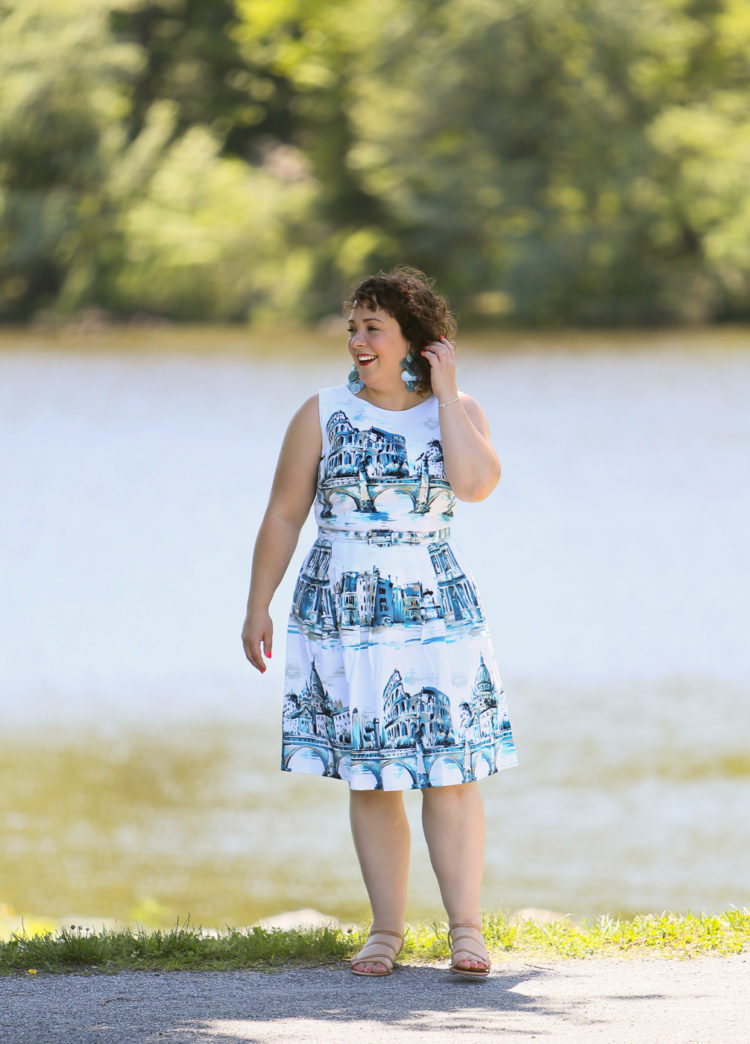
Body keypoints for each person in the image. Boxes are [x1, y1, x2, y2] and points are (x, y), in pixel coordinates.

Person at [242, 267, 518, 977]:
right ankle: (386, 932)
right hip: (346, 607)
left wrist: (448, 395)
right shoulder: (323, 412)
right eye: (353, 326)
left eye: (374, 327)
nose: (358, 339)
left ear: (416, 340)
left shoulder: (457, 410)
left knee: (452, 772)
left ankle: (466, 930)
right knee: (374, 774)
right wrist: (256, 605)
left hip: (434, 603)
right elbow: (283, 513)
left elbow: (477, 486)